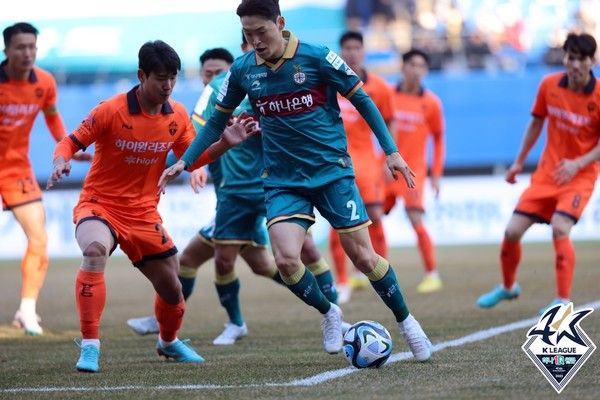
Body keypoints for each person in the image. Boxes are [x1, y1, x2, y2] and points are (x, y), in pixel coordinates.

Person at [159, 0, 432, 360]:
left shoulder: (318, 58)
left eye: (261, 31)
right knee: (287, 261)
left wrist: (392, 151)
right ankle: (329, 312)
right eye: (248, 34)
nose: (255, 41)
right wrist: (186, 161)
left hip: (331, 173)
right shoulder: (243, 70)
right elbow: (214, 123)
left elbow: (363, 100)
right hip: (283, 180)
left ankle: (408, 322)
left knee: (364, 258)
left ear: (280, 23)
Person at [47, 40, 256, 372]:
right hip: (99, 205)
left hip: (143, 213)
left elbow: (192, 159)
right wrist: (61, 161)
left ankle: (168, 342)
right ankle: (90, 345)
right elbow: (69, 142)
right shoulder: (110, 110)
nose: (168, 85)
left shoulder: (178, 115)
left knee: (173, 288)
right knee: (95, 250)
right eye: (161, 78)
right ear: (142, 75)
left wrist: (224, 144)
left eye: (173, 77)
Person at [128, 44, 341, 345]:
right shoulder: (210, 102)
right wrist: (191, 165)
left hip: (270, 187)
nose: (214, 78)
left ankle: (332, 309)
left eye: (220, 72)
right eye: (208, 74)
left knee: (299, 251)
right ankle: (228, 321)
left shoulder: (258, 91)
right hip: (233, 196)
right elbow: (193, 140)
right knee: (232, 261)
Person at [477, 32, 600, 315]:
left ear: (592, 61)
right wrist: (519, 162)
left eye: (582, 59)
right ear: (564, 59)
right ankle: (509, 286)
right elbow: (535, 125)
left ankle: (562, 301)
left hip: (580, 177)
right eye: (571, 58)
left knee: (560, 227)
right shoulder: (549, 85)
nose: (575, 64)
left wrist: (577, 163)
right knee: (511, 232)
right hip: (547, 175)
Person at [0, 22, 91, 336]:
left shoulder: (45, 82)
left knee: (39, 238)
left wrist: (67, 148)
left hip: (16, 170)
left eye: (32, 47)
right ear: (6, 50)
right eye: (20, 47)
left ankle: (27, 310)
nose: (27, 53)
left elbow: (52, 117)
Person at [329, 31, 394, 304]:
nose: (352, 52)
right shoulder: (330, 82)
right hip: (336, 162)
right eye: (348, 48)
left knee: (375, 216)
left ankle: (384, 277)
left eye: (357, 47)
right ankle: (342, 281)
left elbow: (388, 122)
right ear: (341, 52)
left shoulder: (380, 87)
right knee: (337, 222)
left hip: (367, 163)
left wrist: (390, 156)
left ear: (363, 51)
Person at [384, 48, 445, 294]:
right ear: (403, 67)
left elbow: (439, 139)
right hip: (387, 170)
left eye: (421, 66)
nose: (417, 70)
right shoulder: (388, 95)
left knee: (415, 219)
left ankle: (432, 274)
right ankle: (374, 273)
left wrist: (436, 174)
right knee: (371, 217)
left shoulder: (431, 103)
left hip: (413, 172)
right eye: (412, 65)